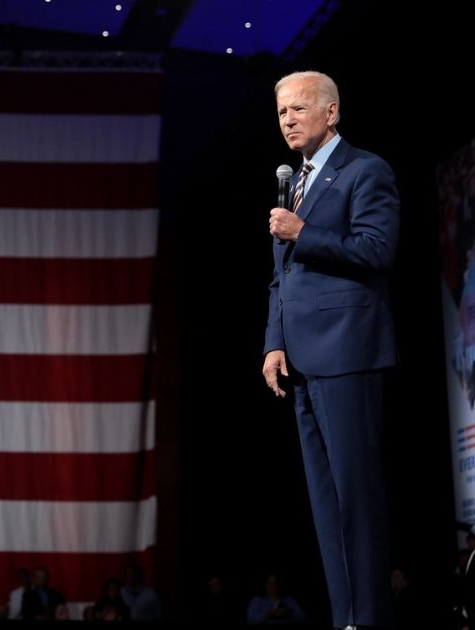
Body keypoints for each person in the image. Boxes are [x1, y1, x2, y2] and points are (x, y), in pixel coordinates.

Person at [263, 70, 399, 629]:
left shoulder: (365, 170)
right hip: (300, 362)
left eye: (298, 109)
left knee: (356, 499)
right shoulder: (294, 181)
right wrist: (274, 343)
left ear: (332, 112)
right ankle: (345, 617)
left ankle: (368, 618)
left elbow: (377, 248)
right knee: (325, 505)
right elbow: (282, 279)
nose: (288, 120)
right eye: (281, 113)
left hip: (347, 353)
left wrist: (303, 232)